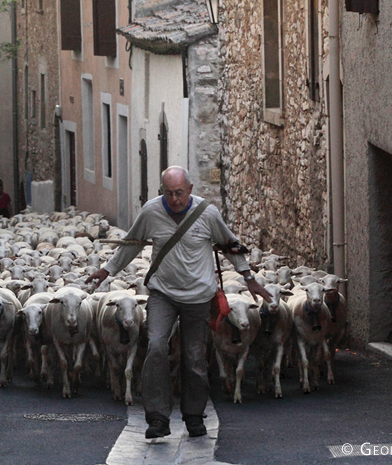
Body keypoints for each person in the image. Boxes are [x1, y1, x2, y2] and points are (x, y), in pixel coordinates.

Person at [85, 166, 272, 439]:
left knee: (194, 356)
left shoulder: (207, 213)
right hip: (163, 293)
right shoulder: (151, 211)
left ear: (190, 190)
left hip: (198, 296)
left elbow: (229, 244)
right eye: (169, 193)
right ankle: (158, 417)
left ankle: (194, 416)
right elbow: (132, 243)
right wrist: (107, 270)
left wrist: (248, 277)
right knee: (157, 347)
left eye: (179, 193)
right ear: (162, 191)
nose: (174, 199)